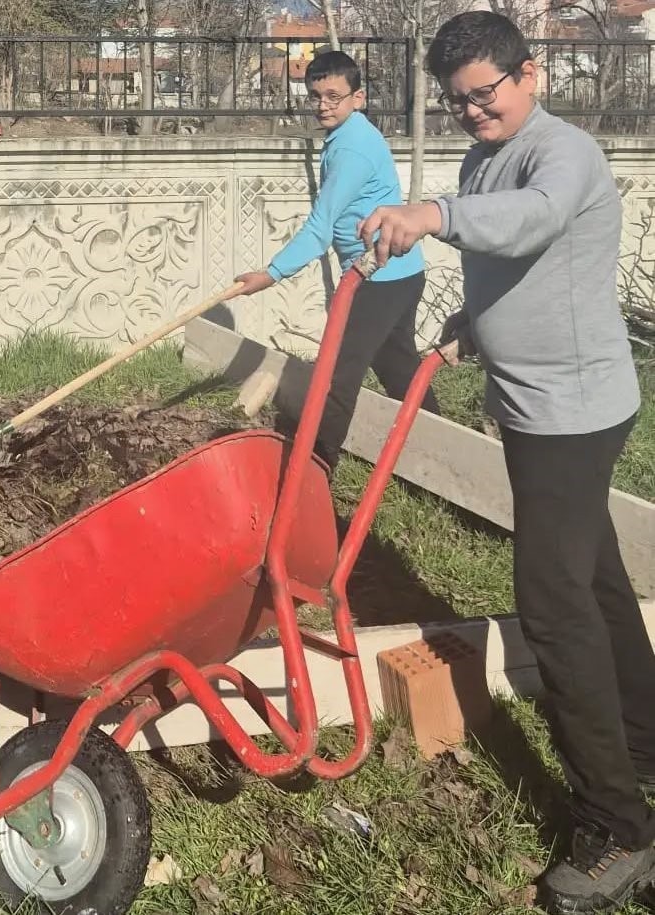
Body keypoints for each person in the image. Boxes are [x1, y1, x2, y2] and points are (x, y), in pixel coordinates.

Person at [358, 11, 654, 914]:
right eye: (458, 103)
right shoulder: (485, 156)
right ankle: (642, 742)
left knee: (553, 606)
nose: (474, 113)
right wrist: (469, 324)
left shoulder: (564, 153)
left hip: (574, 414)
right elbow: (514, 263)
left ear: (532, 76)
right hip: (533, 407)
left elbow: (529, 225)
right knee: (596, 584)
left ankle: (619, 827)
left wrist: (431, 212)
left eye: (486, 94)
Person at [233, 50, 439, 471]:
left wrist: (270, 275)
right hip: (397, 272)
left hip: (380, 278)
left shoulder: (352, 150)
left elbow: (320, 227)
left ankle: (314, 465)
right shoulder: (349, 136)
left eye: (334, 96)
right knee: (397, 365)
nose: (323, 105)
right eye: (315, 96)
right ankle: (442, 454)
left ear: (357, 97)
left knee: (336, 375)